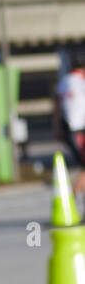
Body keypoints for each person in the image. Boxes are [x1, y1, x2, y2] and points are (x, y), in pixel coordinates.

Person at [54, 58, 85, 206]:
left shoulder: (64, 81)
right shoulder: (81, 81)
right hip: (79, 130)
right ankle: (68, 201)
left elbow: (57, 108)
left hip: (69, 129)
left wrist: (57, 129)